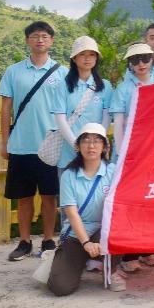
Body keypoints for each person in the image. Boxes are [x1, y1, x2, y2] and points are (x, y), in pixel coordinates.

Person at [0, 21, 67, 261]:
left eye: (45, 36)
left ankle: (48, 240)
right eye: (35, 36)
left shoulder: (62, 73)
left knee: (50, 196)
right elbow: (5, 109)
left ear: (51, 41)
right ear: (28, 40)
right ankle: (24, 242)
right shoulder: (13, 71)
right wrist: (5, 141)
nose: (40, 40)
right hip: (21, 145)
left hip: (52, 145)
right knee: (23, 197)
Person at [46, 124, 125, 295]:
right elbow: (71, 213)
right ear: (77, 146)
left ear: (105, 147)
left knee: (118, 230)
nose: (91, 146)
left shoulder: (113, 172)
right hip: (76, 235)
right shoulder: (69, 175)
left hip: (103, 231)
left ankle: (111, 269)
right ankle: (82, 261)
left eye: (97, 141)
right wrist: (86, 243)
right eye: (86, 140)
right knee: (60, 287)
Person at [109, 42, 154, 273]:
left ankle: (148, 249)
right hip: (131, 153)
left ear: (152, 59)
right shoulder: (123, 89)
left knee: (151, 201)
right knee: (130, 203)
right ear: (129, 64)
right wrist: (123, 155)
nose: (141, 64)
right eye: (135, 60)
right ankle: (130, 253)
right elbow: (118, 124)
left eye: (145, 58)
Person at [51, 36, 112, 170]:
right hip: (68, 151)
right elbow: (60, 119)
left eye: (92, 54)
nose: (87, 58)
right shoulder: (63, 85)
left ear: (96, 58)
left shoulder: (105, 86)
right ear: (74, 58)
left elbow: (107, 117)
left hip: (95, 151)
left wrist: (96, 143)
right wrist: (77, 145)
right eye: (82, 54)